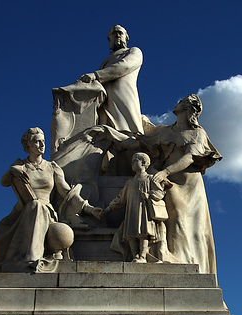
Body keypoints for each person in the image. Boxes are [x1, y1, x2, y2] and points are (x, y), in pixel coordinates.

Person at [99, 94, 222, 273]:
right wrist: (109, 133)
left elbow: (189, 157)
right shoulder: (165, 131)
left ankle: (187, 261)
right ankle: (164, 254)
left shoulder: (197, 133)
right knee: (168, 216)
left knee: (181, 218)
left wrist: (165, 171)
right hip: (165, 180)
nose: (177, 102)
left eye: (182, 102)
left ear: (188, 110)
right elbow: (137, 144)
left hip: (188, 182)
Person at [0, 128, 102, 272]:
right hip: (22, 212)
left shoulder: (52, 167)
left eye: (43, 141)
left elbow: (67, 193)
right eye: (37, 142)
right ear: (27, 145)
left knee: (38, 206)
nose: (42, 145)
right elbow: (4, 182)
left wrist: (88, 208)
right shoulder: (20, 166)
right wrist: (12, 170)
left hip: (46, 212)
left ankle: (33, 258)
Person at [100, 153, 169, 262]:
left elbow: (160, 193)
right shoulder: (130, 182)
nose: (132, 163)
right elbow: (120, 199)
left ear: (144, 163)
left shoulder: (150, 179)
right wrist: (108, 209)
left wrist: (149, 195)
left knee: (144, 232)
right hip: (131, 212)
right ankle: (134, 255)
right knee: (130, 234)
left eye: (135, 161)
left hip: (145, 212)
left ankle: (142, 255)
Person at [79, 24, 143, 135]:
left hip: (124, 97)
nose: (117, 35)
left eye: (120, 33)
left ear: (126, 38)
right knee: (105, 133)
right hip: (106, 101)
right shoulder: (105, 61)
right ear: (109, 38)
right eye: (114, 33)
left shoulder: (133, 51)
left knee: (130, 132)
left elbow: (124, 66)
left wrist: (96, 75)